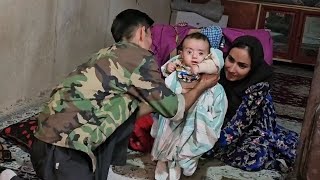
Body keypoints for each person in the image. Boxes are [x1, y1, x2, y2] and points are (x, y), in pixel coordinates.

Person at [28, 9, 218, 180]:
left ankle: (101, 169)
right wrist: (202, 85)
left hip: (41, 145)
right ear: (143, 32)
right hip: (63, 151)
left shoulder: (106, 54)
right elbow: (174, 109)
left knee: (126, 114)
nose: (152, 43)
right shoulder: (140, 58)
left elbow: (131, 109)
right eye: (151, 35)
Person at [204, 35, 299, 172]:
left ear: (252, 67)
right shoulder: (218, 67)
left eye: (242, 65)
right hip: (227, 121)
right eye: (231, 59)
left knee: (253, 156)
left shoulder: (258, 85)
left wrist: (206, 142)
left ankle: (275, 161)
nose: (232, 69)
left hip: (256, 128)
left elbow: (238, 127)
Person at [151, 32, 227, 180]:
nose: (194, 56)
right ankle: (162, 160)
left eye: (200, 53)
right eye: (189, 51)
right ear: (181, 53)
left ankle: (178, 162)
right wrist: (170, 68)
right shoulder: (176, 70)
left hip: (192, 116)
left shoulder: (208, 77)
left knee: (183, 141)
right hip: (173, 115)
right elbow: (166, 78)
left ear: (208, 56)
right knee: (166, 138)